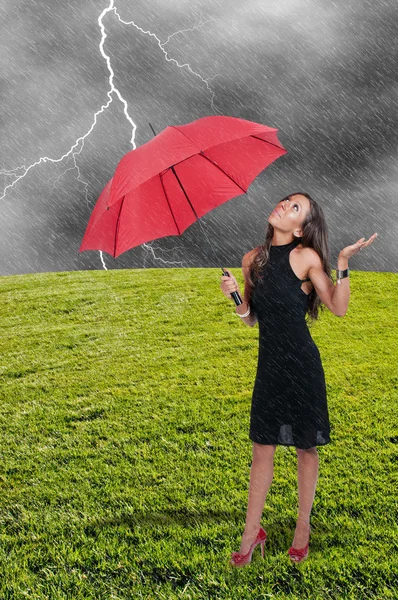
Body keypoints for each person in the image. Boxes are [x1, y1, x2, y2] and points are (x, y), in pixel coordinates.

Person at [220, 192, 377, 565]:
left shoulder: (306, 257)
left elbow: (338, 308)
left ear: (302, 227)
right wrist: (235, 297)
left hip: (303, 366)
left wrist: (341, 263)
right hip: (269, 367)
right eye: (286, 201)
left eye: (295, 208)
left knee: (306, 448)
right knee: (262, 449)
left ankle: (302, 528)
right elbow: (251, 319)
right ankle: (251, 533)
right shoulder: (251, 260)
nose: (284, 206)